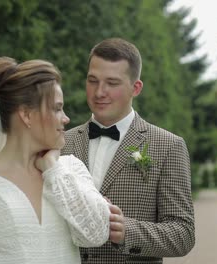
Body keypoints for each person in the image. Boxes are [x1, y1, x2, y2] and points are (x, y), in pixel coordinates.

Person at [0, 57, 110, 264]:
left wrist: (53, 169)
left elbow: (97, 233)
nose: (66, 118)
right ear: (27, 115)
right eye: (57, 108)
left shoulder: (71, 169)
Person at [61, 38, 195, 263]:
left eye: (112, 83)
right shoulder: (61, 143)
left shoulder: (168, 146)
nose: (99, 92)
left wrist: (128, 232)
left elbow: (183, 234)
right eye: (93, 81)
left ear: (136, 88)